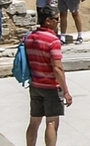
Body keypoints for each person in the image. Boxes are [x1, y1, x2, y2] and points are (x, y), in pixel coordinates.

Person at [25, 10, 70, 146]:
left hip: (35, 85)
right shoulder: (53, 40)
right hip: (51, 87)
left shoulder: (29, 37)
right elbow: (57, 68)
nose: (59, 21)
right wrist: (66, 91)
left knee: (34, 121)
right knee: (51, 122)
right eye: (56, 19)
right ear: (48, 21)